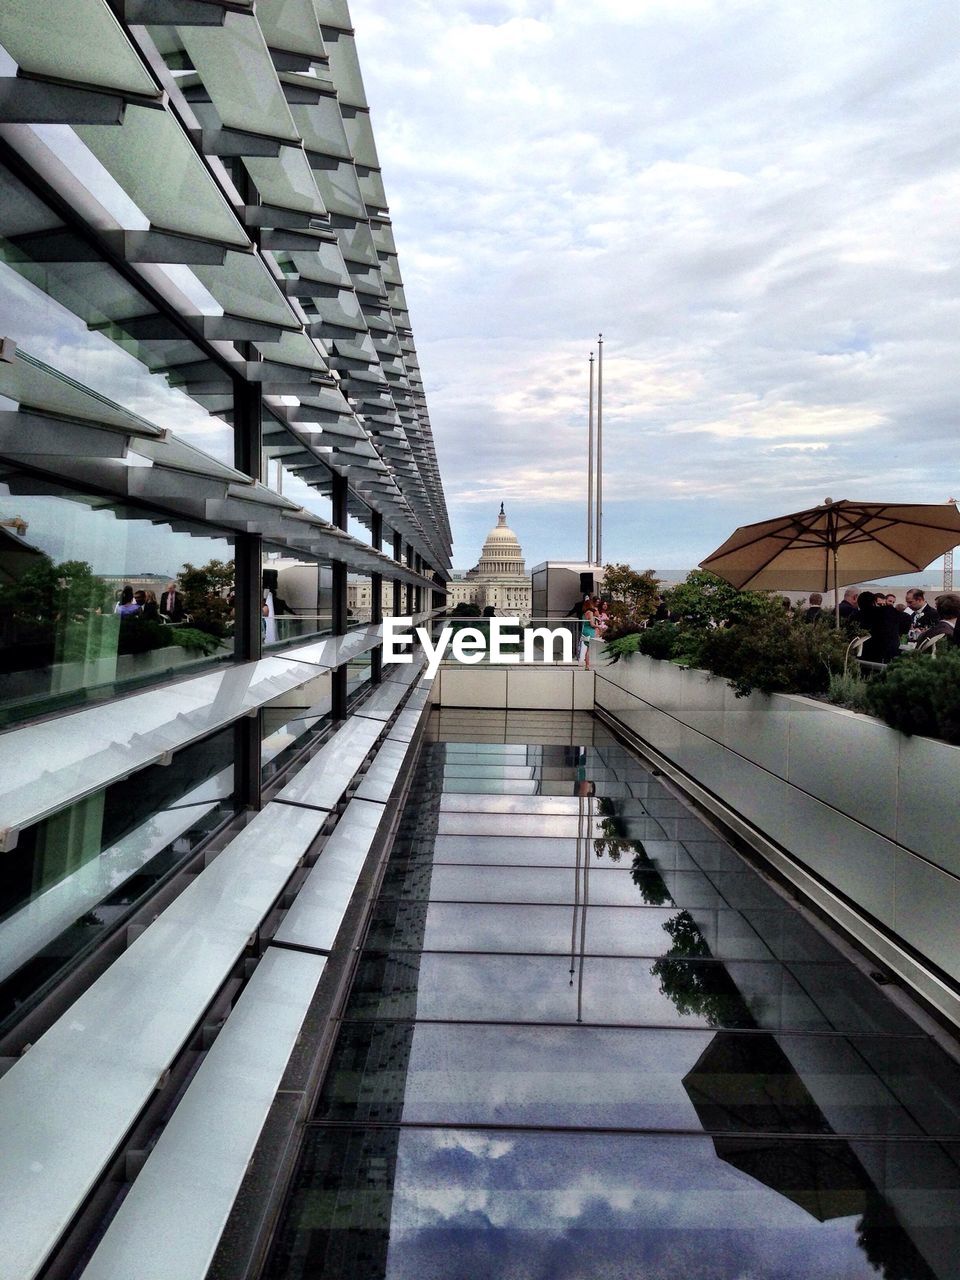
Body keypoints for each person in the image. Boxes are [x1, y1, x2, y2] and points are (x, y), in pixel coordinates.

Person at [857, 591, 901, 662]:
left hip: (864, 657)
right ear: (874, 603)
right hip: (883, 656)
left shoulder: (856, 616)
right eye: (879, 604)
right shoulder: (885, 614)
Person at [580, 597, 598, 670]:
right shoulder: (590, 612)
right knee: (589, 649)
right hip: (590, 630)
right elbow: (592, 624)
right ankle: (587, 665)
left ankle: (587, 665)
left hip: (585, 630)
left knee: (588, 648)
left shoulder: (584, 613)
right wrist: (599, 626)